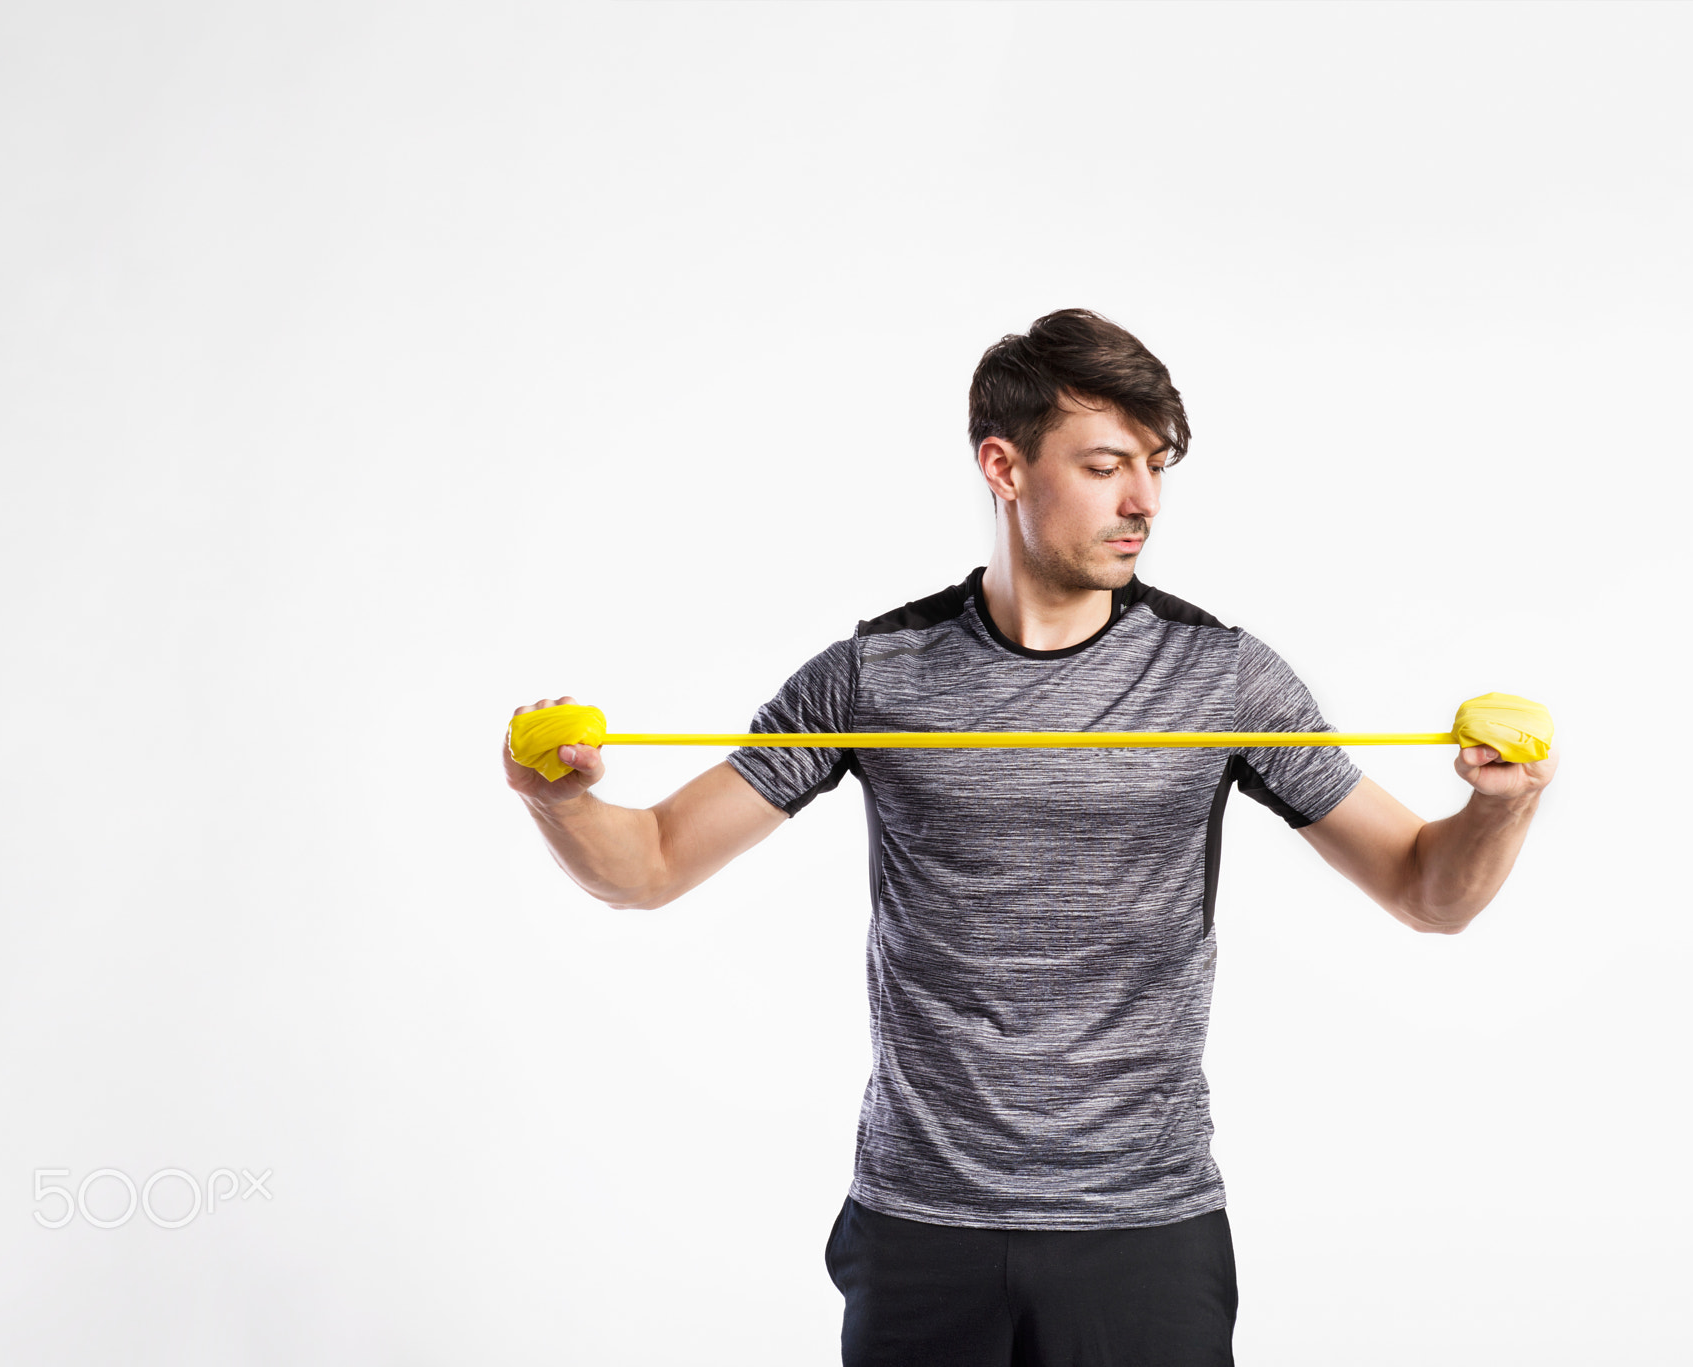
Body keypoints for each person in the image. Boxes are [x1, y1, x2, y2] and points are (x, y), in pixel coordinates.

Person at [502, 309, 1558, 1366]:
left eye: (1153, 466)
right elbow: (645, 866)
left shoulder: (1220, 677)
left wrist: (1499, 804)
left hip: (1142, 1232)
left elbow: (1429, 890)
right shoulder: (874, 675)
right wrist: (560, 796)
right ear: (1001, 466)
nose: (1140, 499)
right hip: (921, 1229)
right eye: (1104, 465)